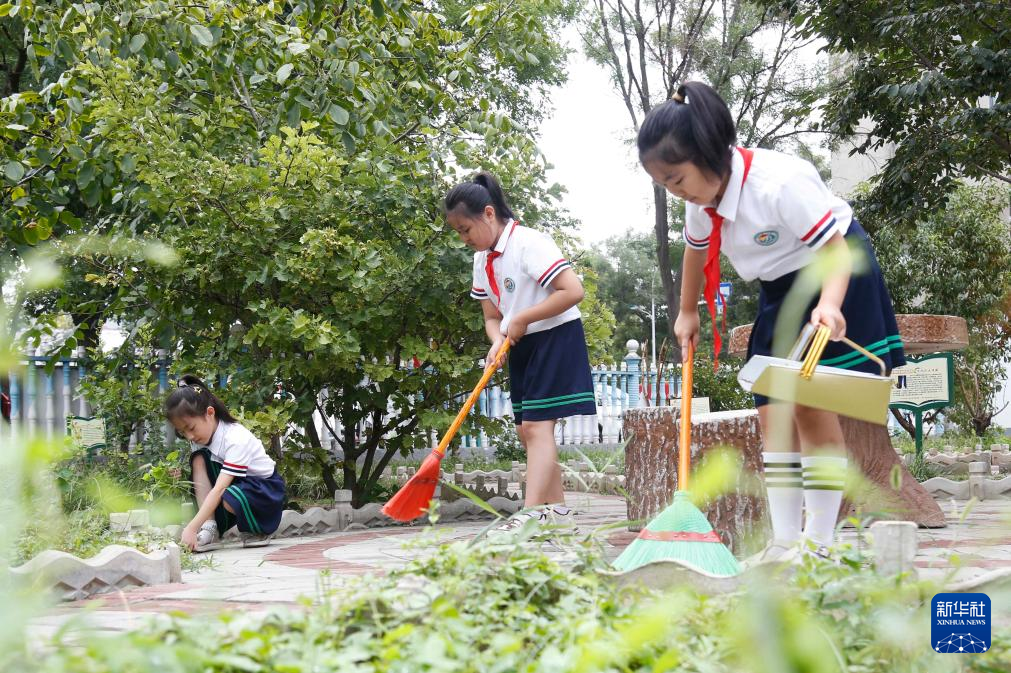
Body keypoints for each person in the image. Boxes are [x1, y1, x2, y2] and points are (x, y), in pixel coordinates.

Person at [637, 81, 906, 561]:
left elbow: (835, 251)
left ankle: (819, 544)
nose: (675, 191)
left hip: (833, 271)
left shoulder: (779, 184)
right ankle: (784, 541)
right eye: (665, 184)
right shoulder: (700, 202)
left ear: (709, 153)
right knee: (773, 410)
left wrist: (830, 305)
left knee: (810, 404)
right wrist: (686, 311)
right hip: (780, 287)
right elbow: (695, 254)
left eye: (676, 179)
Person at [445, 171, 596, 533]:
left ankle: (529, 517)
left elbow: (572, 291)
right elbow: (492, 317)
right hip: (522, 344)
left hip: (556, 336)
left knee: (536, 427)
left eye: (466, 229)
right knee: (527, 432)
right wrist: (497, 340)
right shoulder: (482, 260)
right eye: (458, 233)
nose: (464, 239)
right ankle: (558, 517)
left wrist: (524, 318)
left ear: (488, 214)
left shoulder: (529, 243)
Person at [166, 375, 286, 551]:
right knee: (199, 459)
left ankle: (258, 530)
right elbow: (205, 478)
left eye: (191, 428)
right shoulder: (201, 438)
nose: (189, 436)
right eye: (183, 432)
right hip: (238, 485)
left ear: (210, 413)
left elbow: (220, 489)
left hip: (265, 492)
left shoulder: (235, 438)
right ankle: (210, 528)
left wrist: (191, 527)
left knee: (230, 497)